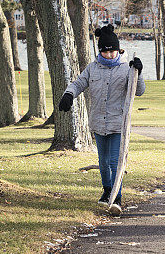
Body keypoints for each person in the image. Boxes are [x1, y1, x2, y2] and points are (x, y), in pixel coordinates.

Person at [58, 24, 144, 216]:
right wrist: (69, 95)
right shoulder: (92, 68)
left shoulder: (127, 68)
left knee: (115, 161)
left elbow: (139, 91)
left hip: (118, 123)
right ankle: (107, 191)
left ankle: (117, 197)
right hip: (98, 122)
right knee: (103, 162)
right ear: (100, 52)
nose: (109, 55)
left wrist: (139, 72)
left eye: (113, 51)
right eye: (105, 52)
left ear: (118, 49)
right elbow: (79, 83)